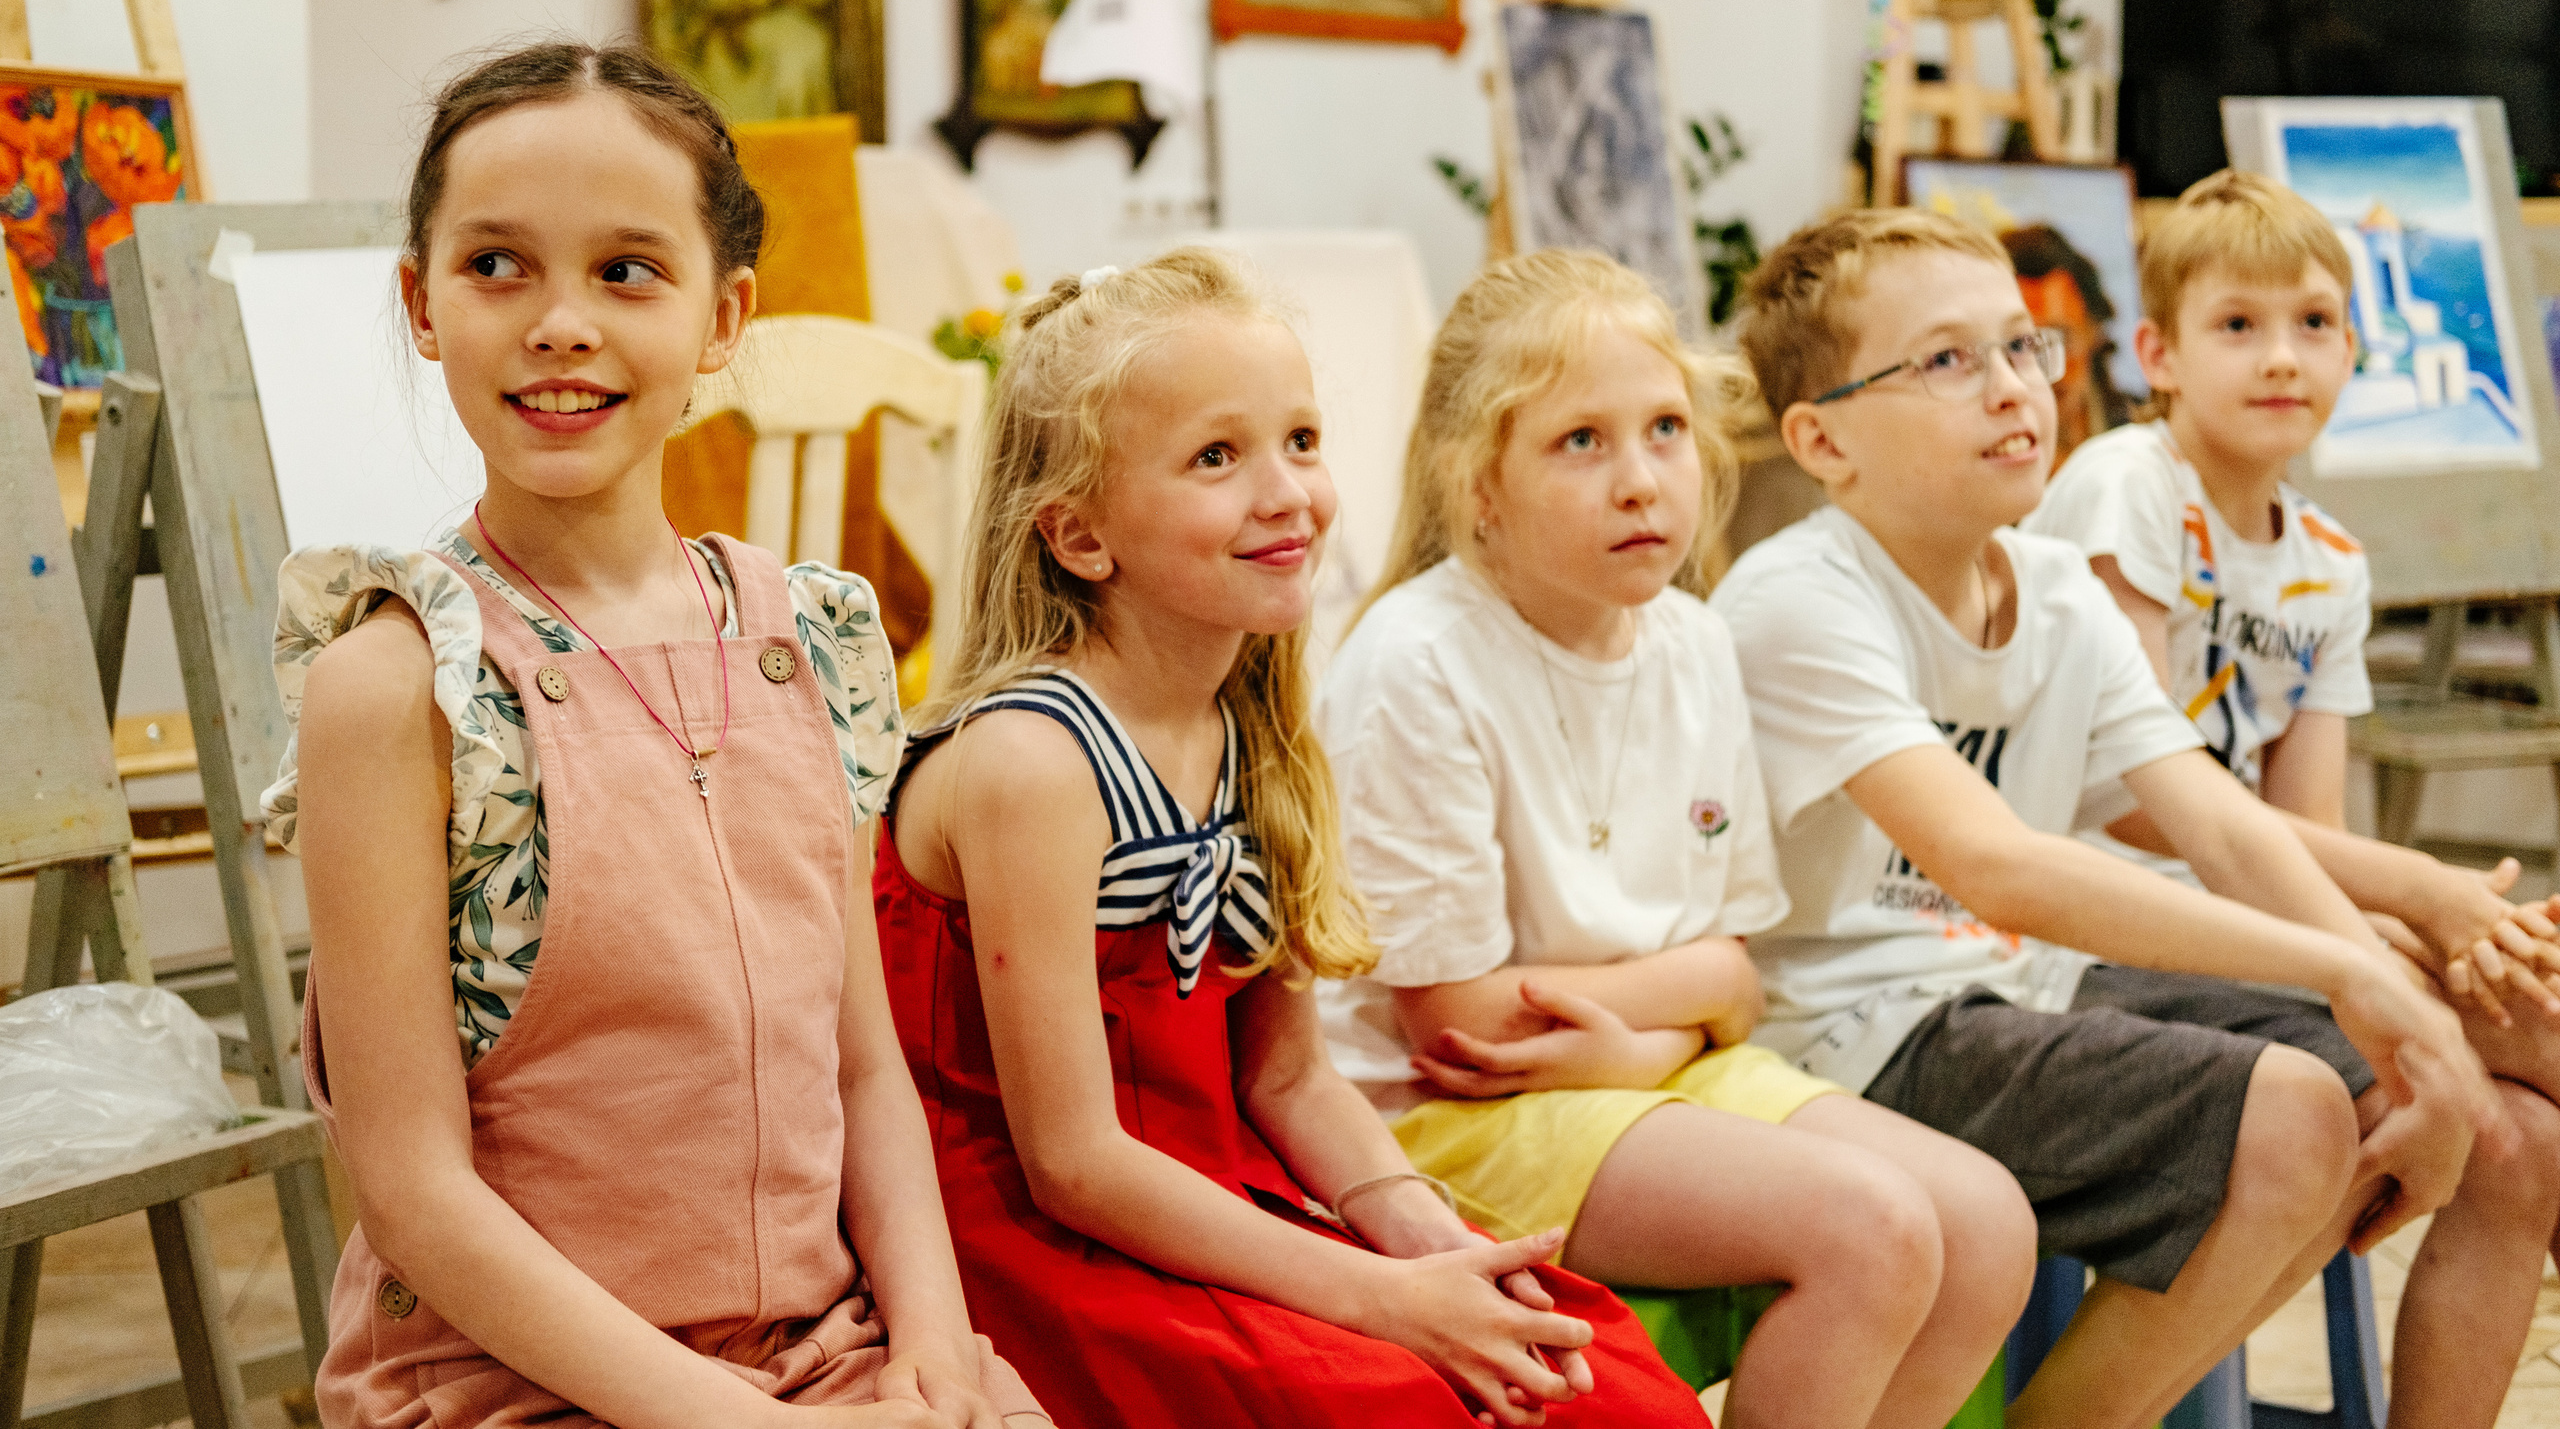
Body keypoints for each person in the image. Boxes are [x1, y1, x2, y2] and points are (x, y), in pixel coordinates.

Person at [266, 39, 1045, 1429]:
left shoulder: (809, 641)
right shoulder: (393, 688)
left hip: (829, 1351)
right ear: (421, 300)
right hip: (510, 1384)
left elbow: (861, 1061)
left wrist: (933, 1339)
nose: (561, 321)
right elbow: (416, 1192)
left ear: (723, 315)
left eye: (627, 270)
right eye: (498, 264)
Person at [874, 250, 1709, 1429]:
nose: (1288, 494)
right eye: (1218, 457)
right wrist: (1383, 1302)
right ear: (1078, 534)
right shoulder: (1031, 763)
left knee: (1605, 1387)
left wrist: (1428, 1242)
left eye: (1302, 442)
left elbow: (1284, 1074)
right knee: (1396, 1406)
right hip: (1037, 1238)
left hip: (1216, 1193)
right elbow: (1071, 1161)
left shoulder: (1253, 723)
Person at [1709, 207, 2502, 1429]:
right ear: (1822, 441)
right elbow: (1999, 868)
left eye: (2023, 348)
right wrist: (2352, 966)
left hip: (2022, 988)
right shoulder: (1800, 598)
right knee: (2293, 1108)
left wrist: (2401, 1018)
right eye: (1945, 362)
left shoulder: (2057, 600)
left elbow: (2225, 830)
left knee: (2363, 1090)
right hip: (1849, 1029)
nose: (2011, 389)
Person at [1315, 249, 2031, 1429]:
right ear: (1475, 482)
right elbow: (1460, 1029)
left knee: (1987, 1221)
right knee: (1875, 1230)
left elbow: (1735, 975)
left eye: (1661, 429)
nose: (1641, 480)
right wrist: (1675, 1011)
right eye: (1578, 443)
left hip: (1644, 1068)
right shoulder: (1419, 661)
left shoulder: (1691, 640)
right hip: (1442, 1123)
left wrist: (1647, 1043)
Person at [2028, 169, 2560, 1429]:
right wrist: (2416, 901)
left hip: (2253, 924)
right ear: (2155, 352)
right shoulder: (2129, 486)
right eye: (2237, 325)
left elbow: (2303, 820)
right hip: (2105, 926)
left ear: (2354, 348)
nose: (2281, 356)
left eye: (2314, 323)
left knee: (2526, 1137)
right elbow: (2134, 799)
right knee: (2540, 1030)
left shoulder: (2326, 560)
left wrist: (2413, 930)